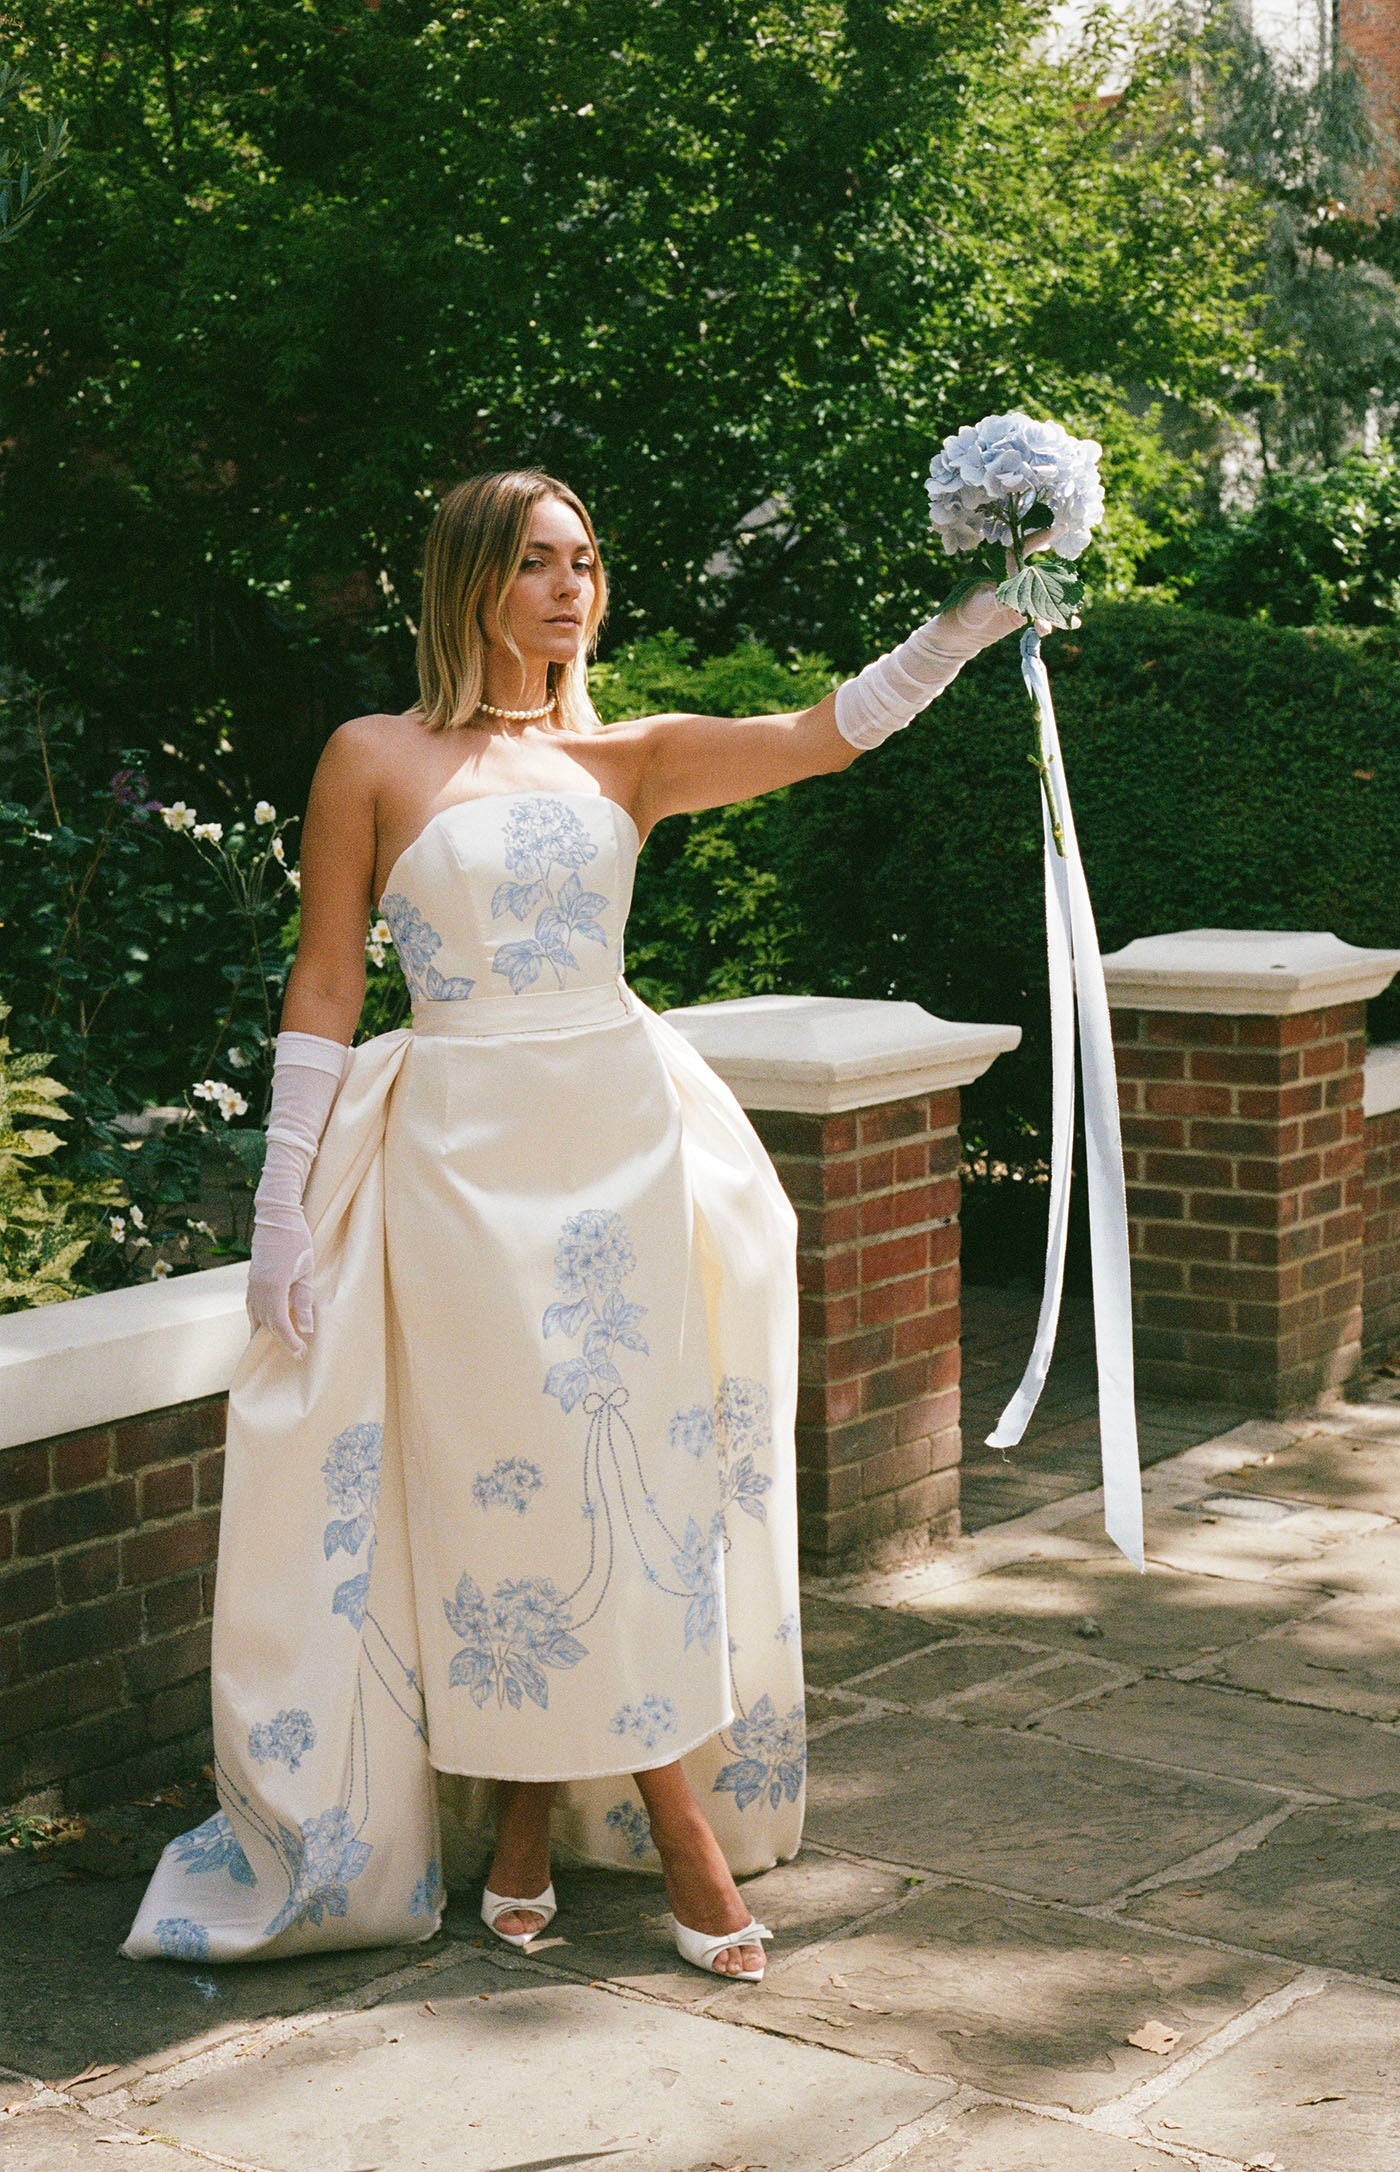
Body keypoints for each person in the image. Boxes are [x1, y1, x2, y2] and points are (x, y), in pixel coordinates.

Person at [123, 468, 1031, 1981]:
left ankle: (540, 1823)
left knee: (633, 1490)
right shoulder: (373, 756)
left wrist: (982, 613)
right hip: (460, 1162)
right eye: (538, 561)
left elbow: (826, 735)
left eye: (588, 561)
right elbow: (329, 980)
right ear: (468, 579)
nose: (571, 588)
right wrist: (280, 1201)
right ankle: (668, 1831)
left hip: (620, 1149)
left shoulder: (628, 757)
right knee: (513, 1487)